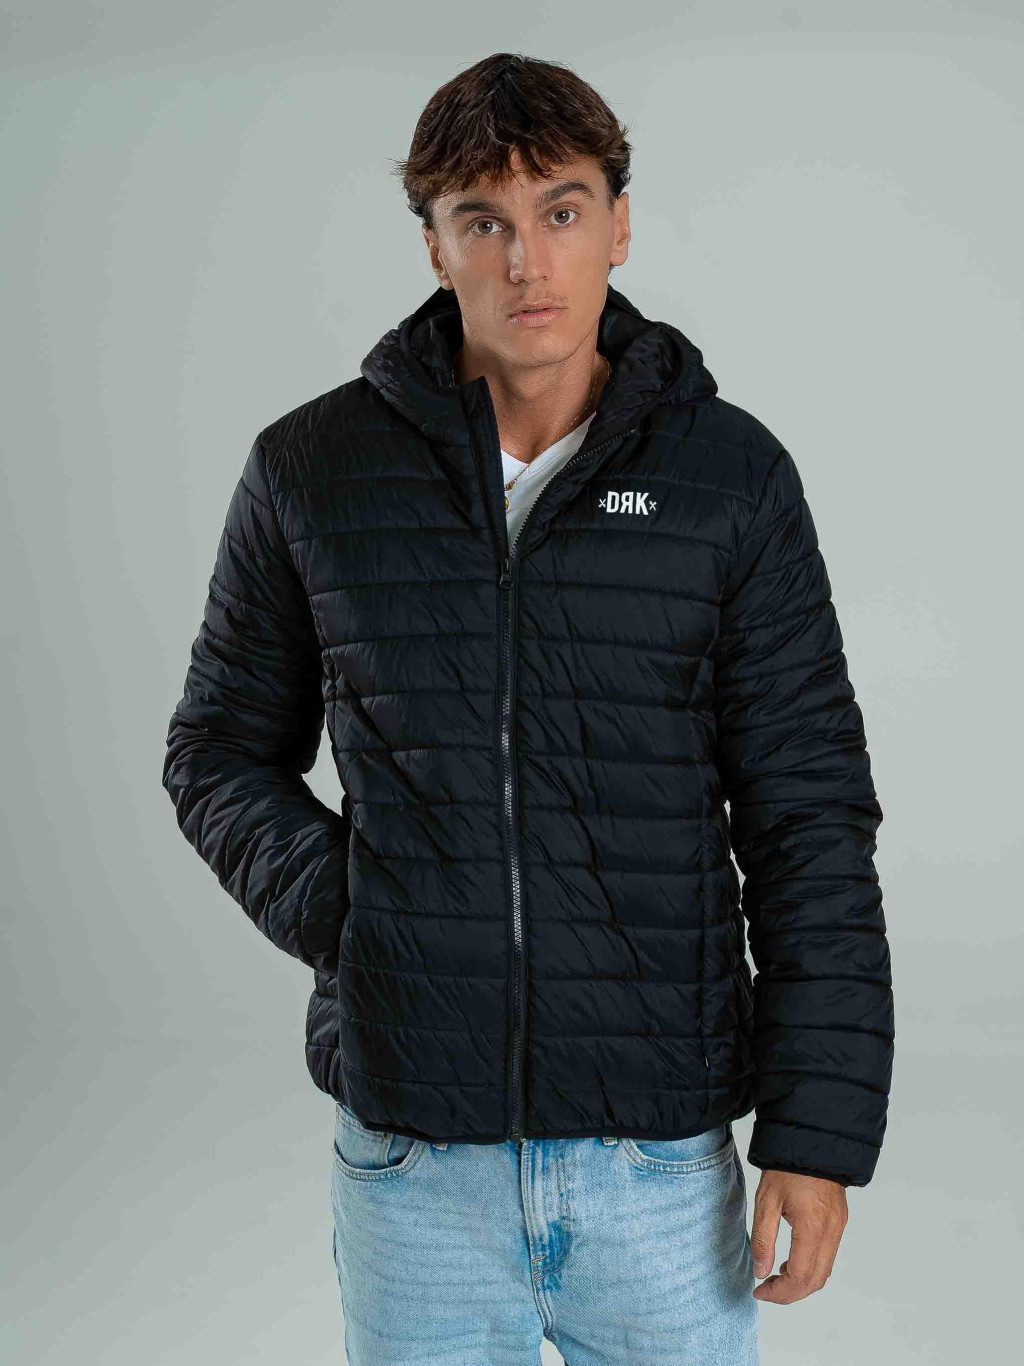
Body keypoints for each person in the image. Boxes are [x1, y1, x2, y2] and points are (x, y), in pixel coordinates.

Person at [161, 51, 894, 1366]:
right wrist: (358, 914)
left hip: (660, 1159)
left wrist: (817, 1130)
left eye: (561, 211)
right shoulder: (313, 471)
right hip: (415, 1167)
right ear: (435, 246)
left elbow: (809, 815)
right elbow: (216, 750)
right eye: (483, 221)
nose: (527, 260)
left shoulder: (730, 479)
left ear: (620, 222)